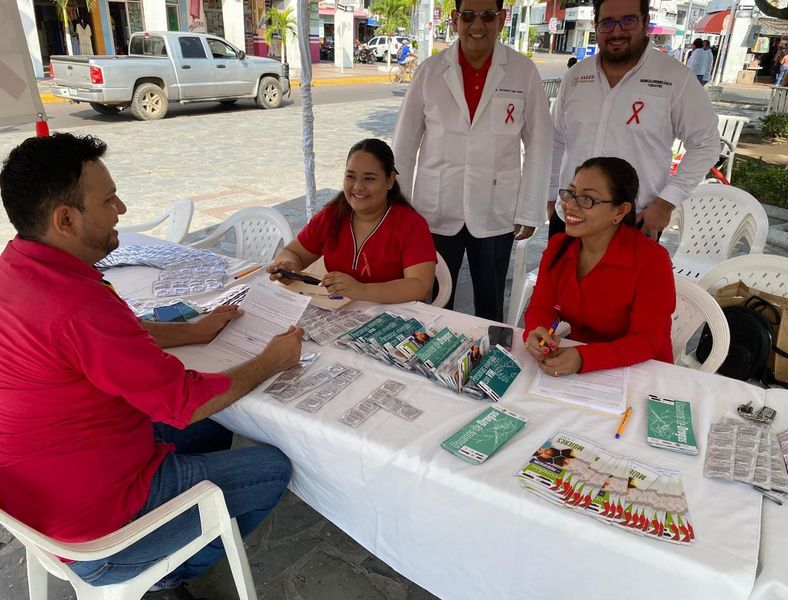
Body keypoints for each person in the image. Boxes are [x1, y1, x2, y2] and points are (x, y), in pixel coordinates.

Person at [0, 133, 303, 599]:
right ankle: (165, 573)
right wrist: (270, 361)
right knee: (272, 466)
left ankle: (178, 528)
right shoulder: (77, 305)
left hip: (39, 493)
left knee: (215, 428)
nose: (121, 209)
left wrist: (190, 331)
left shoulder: (17, 266)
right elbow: (181, 401)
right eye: (108, 199)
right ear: (65, 220)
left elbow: (99, 344)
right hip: (98, 533)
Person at [392, 0, 552, 322]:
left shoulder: (522, 71)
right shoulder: (430, 71)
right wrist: (400, 207)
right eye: (468, 16)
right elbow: (404, 144)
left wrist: (530, 208)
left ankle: (488, 362)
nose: (477, 25)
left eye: (487, 16)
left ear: (502, 19)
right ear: (454, 19)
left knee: (490, 303)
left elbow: (539, 143)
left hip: (496, 209)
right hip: (435, 209)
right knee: (434, 301)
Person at [548, 0, 720, 241]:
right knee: (560, 280)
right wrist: (550, 196)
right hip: (570, 217)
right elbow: (555, 139)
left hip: (635, 222)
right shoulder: (577, 77)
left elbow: (706, 144)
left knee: (622, 282)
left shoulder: (674, 78)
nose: (617, 31)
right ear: (596, 26)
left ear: (645, 22)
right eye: (607, 23)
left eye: (628, 20)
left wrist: (666, 202)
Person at [524, 157, 675, 376]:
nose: (571, 205)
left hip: (643, 373)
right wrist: (536, 334)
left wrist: (583, 358)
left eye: (588, 199)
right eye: (570, 193)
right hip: (580, 367)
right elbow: (541, 307)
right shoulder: (559, 248)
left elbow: (646, 341)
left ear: (620, 211)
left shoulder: (652, 260)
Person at [267, 138, 437, 303]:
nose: (357, 187)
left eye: (369, 178)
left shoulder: (411, 224)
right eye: (350, 176)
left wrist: (361, 291)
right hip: (339, 312)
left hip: (395, 317)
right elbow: (293, 252)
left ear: (390, 180)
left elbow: (420, 285)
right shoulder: (332, 216)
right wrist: (289, 265)